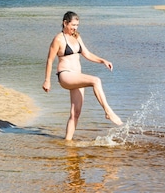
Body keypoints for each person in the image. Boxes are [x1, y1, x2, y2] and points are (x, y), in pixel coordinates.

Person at [43, 11, 123, 140]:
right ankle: (108, 111)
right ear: (65, 23)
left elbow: (87, 54)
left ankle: (67, 142)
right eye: (73, 25)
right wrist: (47, 80)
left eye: (77, 25)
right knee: (95, 80)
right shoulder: (58, 39)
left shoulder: (76, 36)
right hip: (66, 75)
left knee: (76, 112)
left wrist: (103, 60)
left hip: (77, 76)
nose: (75, 28)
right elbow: (50, 60)